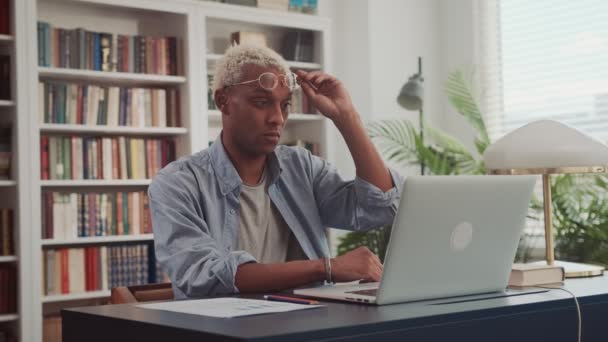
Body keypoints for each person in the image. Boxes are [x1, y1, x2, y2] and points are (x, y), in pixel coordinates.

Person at [148, 44, 403, 299]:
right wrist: (326, 268)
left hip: (310, 325)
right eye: (262, 102)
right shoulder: (177, 184)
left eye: (284, 105)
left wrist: (346, 116)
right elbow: (203, 275)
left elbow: (380, 208)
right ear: (223, 101)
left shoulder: (302, 167)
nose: (278, 118)